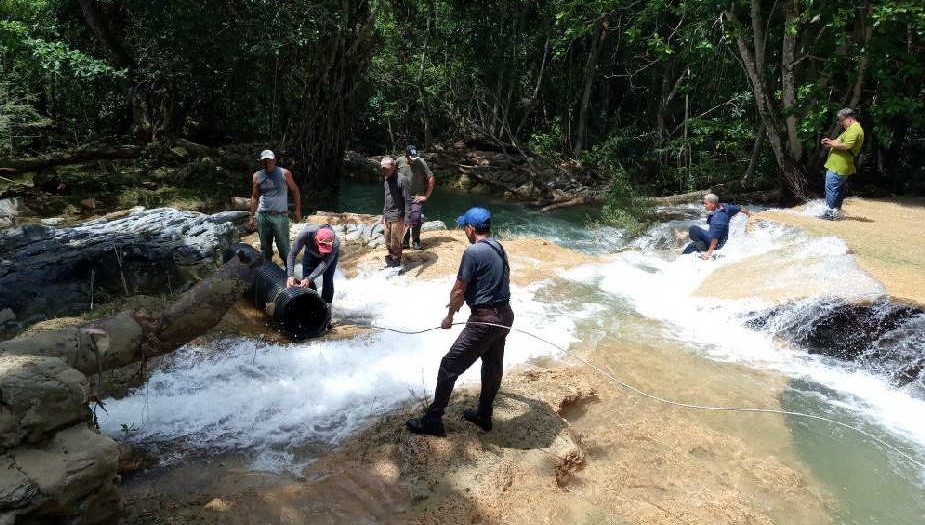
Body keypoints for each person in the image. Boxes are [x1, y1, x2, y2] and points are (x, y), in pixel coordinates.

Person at [406, 207, 514, 436]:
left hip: (484, 321)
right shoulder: (498, 246)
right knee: (492, 363)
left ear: (471, 229)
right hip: (505, 316)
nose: (463, 230)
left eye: (464, 226)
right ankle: (484, 415)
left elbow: (458, 290)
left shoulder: (473, 252)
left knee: (449, 366)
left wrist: (449, 316)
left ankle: (433, 420)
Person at [248, 150, 302, 267]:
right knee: (265, 248)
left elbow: (295, 191)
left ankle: (290, 273)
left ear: (274, 160)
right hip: (262, 215)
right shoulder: (257, 176)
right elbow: (255, 196)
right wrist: (251, 216)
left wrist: (297, 211)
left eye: (270, 160)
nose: (267, 163)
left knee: (284, 248)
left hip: (280, 216)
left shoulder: (285, 173)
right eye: (265, 161)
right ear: (261, 162)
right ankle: (268, 274)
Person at [819, 108, 864, 220]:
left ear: (849, 118)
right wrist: (829, 142)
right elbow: (840, 142)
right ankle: (835, 213)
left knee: (831, 189)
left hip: (839, 166)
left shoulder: (854, 129)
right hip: (839, 165)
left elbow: (847, 146)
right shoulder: (850, 129)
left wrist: (830, 143)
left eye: (841, 120)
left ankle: (829, 214)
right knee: (837, 190)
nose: (840, 122)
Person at [682, 194, 751, 260]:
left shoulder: (717, 218)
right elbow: (740, 208)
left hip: (717, 243)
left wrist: (708, 253)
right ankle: (696, 242)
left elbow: (714, 238)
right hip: (723, 239)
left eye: (706, 203)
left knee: (693, 230)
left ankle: (702, 248)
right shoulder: (725, 207)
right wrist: (750, 214)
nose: (704, 205)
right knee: (694, 229)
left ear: (713, 204)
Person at [286, 224, 340, 304]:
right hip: (310, 253)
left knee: (328, 280)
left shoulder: (335, 243)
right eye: (322, 246)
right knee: (306, 279)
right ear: (315, 239)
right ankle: (313, 303)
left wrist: (309, 278)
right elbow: (292, 254)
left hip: (328, 258)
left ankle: (326, 306)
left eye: (326, 247)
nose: (322, 252)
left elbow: (324, 264)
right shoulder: (305, 234)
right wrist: (290, 275)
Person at [396, 145, 435, 250]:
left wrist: (426, 196)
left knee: (416, 218)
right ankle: (405, 240)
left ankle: (416, 240)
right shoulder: (399, 161)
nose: (413, 160)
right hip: (402, 196)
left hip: (416, 196)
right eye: (411, 158)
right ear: (406, 155)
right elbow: (391, 175)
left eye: (414, 157)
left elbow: (431, 177)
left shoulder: (421, 162)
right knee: (404, 217)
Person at [381, 156, 411, 268]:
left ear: (393, 167)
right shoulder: (386, 178)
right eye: (383, 169)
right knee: (387, 240)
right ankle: (391, 261)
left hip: (398, 216)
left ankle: (397, 263)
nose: (384, 171)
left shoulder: (402, 180)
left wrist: (407, 219)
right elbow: (387, 197)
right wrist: (383, 213)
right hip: (388, 215)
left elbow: (408, 200)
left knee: (395, 242)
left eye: (387, 169)